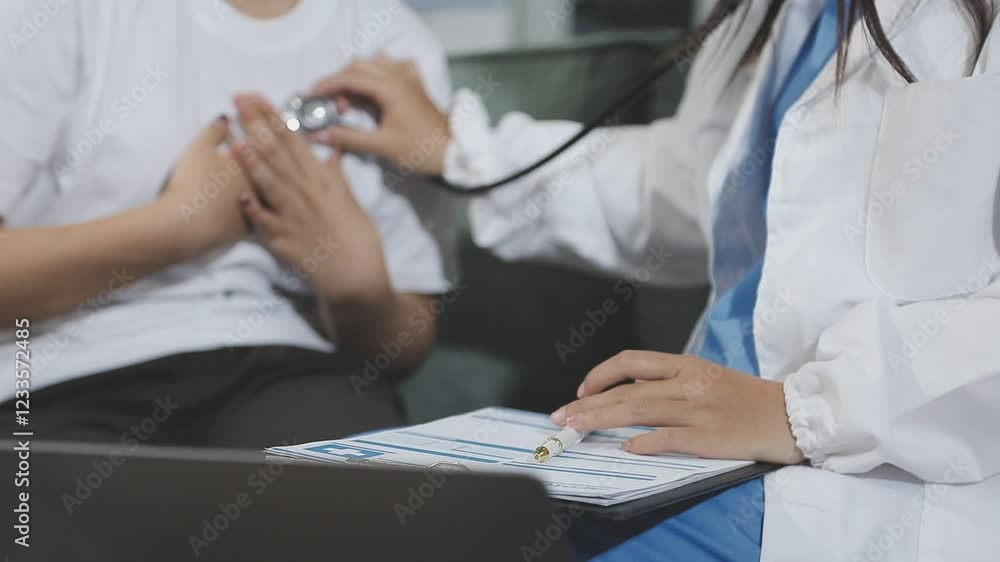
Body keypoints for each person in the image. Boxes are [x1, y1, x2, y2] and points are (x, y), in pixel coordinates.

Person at [306, 0, 1000, 560]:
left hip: (875, 490)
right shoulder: (777, 15)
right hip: (690, 461)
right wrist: (461, 151)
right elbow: (693, 184)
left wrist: (801, 412)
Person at [0, 0, 458, 447]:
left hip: (290, 371)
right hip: (54, 376)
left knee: (345, 486)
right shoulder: (52, 14)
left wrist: (358, 289)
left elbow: (404, 346)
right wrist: (178, 228)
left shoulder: (392, 46)